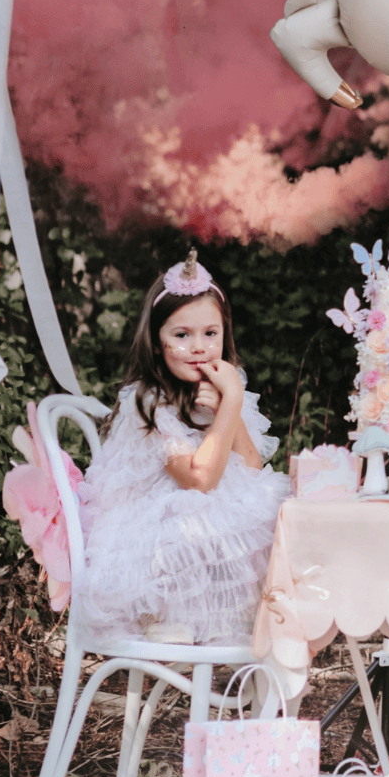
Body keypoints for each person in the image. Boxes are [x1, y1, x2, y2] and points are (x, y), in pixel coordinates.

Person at [77, 251, 290, 644]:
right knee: (206, 520)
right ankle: (173, 619)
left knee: (275, 510)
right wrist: (232, 403)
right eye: (181, 335)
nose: (199, 347)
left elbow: (252, 467)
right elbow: (198, 480)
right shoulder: (151, 403)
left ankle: (264, 633)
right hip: (159, 547)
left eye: (211, 334)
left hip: (201, 529)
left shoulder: (219, 388)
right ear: (157, 343)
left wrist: (230, 403)